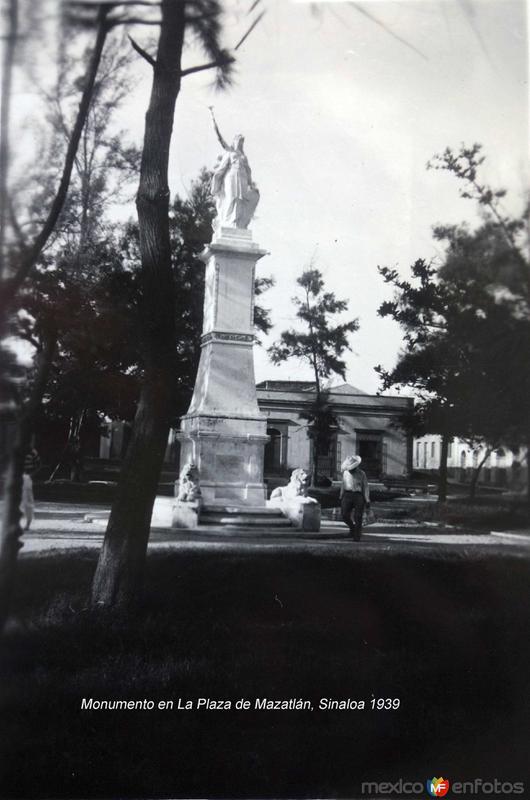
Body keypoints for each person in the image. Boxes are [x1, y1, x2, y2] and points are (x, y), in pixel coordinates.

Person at [209, 107, 259, 230]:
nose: (240, 143)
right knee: (231, 198)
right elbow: (219, 137)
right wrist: (212, 117)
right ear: (234, 141)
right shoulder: (230, 151)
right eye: (238, 140)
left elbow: (248, 171)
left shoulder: (243, 156)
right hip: (231, 177)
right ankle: (228, 223)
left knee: (240, 200)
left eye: (241, 141)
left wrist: (250, 184)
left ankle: (237, 224)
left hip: (242, 177)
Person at [340, 455, 370, 541]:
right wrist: (341, 495)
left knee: (358, 516)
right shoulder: (345, 473)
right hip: (347, 494)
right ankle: (352, 527)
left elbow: (366, 487)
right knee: (344, 515)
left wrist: (367, 499)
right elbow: (343, 484)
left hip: (358, 495)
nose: (351, 469)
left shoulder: (361, 474)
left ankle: (357, 536)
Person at [21, 446, 41, 531]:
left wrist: (30, 475)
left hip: (26, 477)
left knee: (27, 501)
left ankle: (27, 523)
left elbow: (39, 465)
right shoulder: (15, 449)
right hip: (15, 477)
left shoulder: (32, 451)